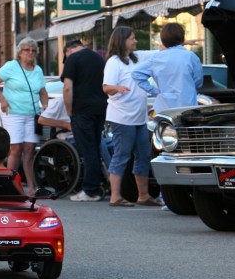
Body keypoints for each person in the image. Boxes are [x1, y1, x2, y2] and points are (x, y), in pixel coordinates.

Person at [102, 26, 161, 207]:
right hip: (122, 117)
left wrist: (178, 46)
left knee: (143, 155)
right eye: (132, 38)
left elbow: (159, 53)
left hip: (139, 118)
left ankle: (143, 195)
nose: (135, 41)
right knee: (122, 155)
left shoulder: (137, 58)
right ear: (122, 41)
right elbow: (106, 88)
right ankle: (115, 196)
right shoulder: (114, 62)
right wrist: (117, 88)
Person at [0, 37, 49, 195]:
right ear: (19, 52)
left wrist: (45, 105)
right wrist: (2, 101)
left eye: (33, 50)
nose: (30, 53)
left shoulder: (38, 70)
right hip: (13, 113)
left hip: (33, 114)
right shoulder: (11, 66)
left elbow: (42, 91)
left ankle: (32, 187)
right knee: (16, 149)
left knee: (30, 149)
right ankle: (8, 184)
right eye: (27, 50)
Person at [61, 39, 108, 202]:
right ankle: (97, 185)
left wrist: (69, 111)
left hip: (82, 110)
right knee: (95, 148)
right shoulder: (99, 59)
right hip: (100, 109)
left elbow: (67, 87)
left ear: (68, 50)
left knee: (87, 151)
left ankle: (90, 190)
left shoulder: (73, 59)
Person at [132, 22, 203, 112]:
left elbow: (136, 74)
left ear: (163, 39)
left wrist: (156, 92)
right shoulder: (191, 56)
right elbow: (198, 81)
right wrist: (190, 89)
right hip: (188, 105)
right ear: (183, 37)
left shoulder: (157, 58)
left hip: (164, 108)